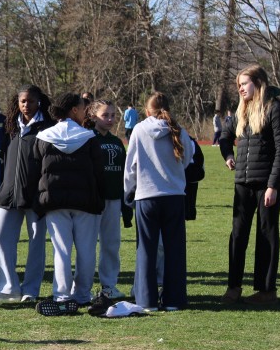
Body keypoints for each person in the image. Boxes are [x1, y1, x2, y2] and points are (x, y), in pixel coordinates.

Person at [219, 64, 280, 305]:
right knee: (238, 235)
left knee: (266, 235)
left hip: (267, 185)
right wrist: (228, 155)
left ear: (258, 83)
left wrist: (273, 186)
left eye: (244, 84)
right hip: (243, 183)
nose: (240, 89)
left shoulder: (276, 110)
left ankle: (266, 290)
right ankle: (233, 287)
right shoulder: (242, 112)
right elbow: (224, 136)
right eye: (238, 85)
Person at [32, 93, 105, 315]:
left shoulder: (44, 137)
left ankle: (62, 294)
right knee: (86, 250)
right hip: (85, 201)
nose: (85, 111)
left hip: (54, 201)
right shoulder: (88, 137)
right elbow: (99, 172)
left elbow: (36, 169)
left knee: (61, 250)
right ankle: (82, 294)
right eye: (83, 108)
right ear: (74, 110)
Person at [124, 92, 194, 312]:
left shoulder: (139, 130)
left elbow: (131, 165)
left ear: (147, 111)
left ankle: (146, 300)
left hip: (147, 195)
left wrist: (128, 191)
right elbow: (187, 160)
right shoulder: (178, 130)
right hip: (173, 195)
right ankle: (174, 299)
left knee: (146, 249)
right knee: (174, 249)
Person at [0, 85, 53, 304]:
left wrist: (44, 193)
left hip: (36, 197)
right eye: (23, 101)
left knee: (36, 243)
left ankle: (31, 290)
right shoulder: (10, 127)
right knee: (0, 236)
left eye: (31, 101)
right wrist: (1, 188)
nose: (26, 105)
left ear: (39, 102)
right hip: (9, 195)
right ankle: (9, 287)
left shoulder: (47, 128)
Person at [88, 99, 128, 299]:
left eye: (113, 115)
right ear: (93, 116)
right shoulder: (87, 138)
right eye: (105, 115)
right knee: (87, 245)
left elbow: (125, 172)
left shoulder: (117, 142)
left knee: (111, 244)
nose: (110, 119)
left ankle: (109, 285)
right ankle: (83, 287)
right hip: (92, 200)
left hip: (113, 199)